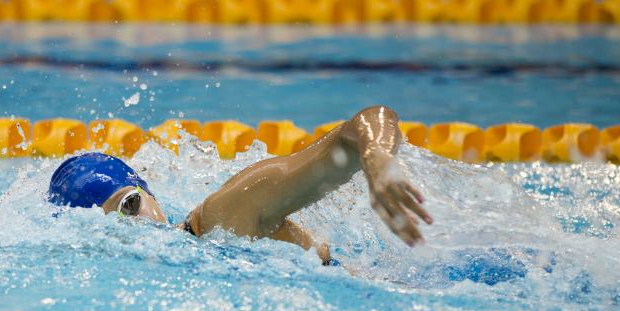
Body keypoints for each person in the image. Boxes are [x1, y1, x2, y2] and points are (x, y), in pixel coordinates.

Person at [48, 106, 433, 265]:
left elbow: (369, 119)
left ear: (149, 193)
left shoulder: (224, 216)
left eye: (130, 206)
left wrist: (376, 159)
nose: (131, 227)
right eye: (104, 228)